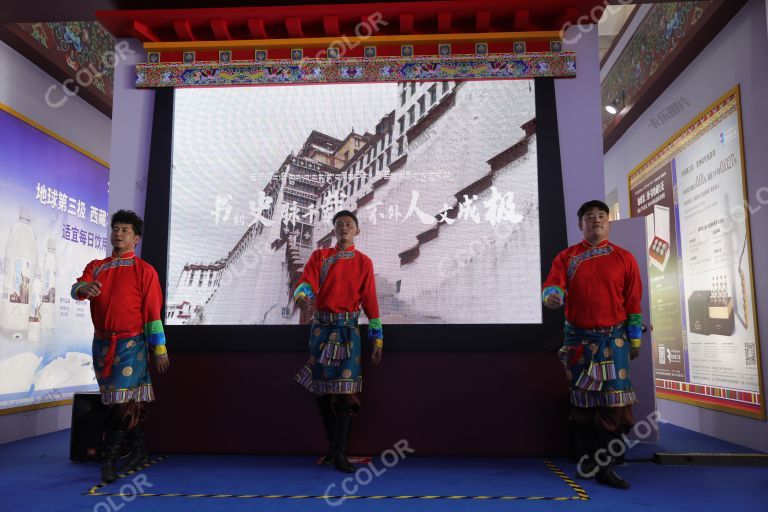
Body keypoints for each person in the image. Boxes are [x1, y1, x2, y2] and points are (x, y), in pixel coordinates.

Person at [542, 200, 642, 489]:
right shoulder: (567, 257)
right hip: (579, 341)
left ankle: (605, 465)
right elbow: (553, 285)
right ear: (580, 225)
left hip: (615, 339)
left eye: (601, 216)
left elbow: (633, 305)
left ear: (608, 222)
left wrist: (634, 340)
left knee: (615, 405)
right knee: (583, 406)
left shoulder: (626, 259)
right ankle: (587, 459)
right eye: (589, 217)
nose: (596, 220)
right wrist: (551, 296)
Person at [71, 210, 169, 483]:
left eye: (125, 230)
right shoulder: (97, 266)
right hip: (102, 343)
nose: (119, 233)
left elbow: (152, 314)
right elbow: (77, 287)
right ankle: (138, 449)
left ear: (136, 238)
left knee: (121, 403)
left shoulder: (144, 271)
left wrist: (159, 349)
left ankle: (109, 459)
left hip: (131, 344)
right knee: (122, 402)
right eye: (116, 228)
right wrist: (83, 288)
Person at [293, 210, 383, 473]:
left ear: (357, 231)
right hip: (321, 331)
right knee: (321, 391)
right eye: (339, 224)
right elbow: (306, 282)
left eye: (349, 224)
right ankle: (333, 447)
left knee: (345, 392)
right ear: (333, 232)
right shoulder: (320, 257)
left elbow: (370, 301)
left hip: (348, 332)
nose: (344, 228)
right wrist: (302, 296)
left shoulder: (364, 262)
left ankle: (341, 451)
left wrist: (377, 339)